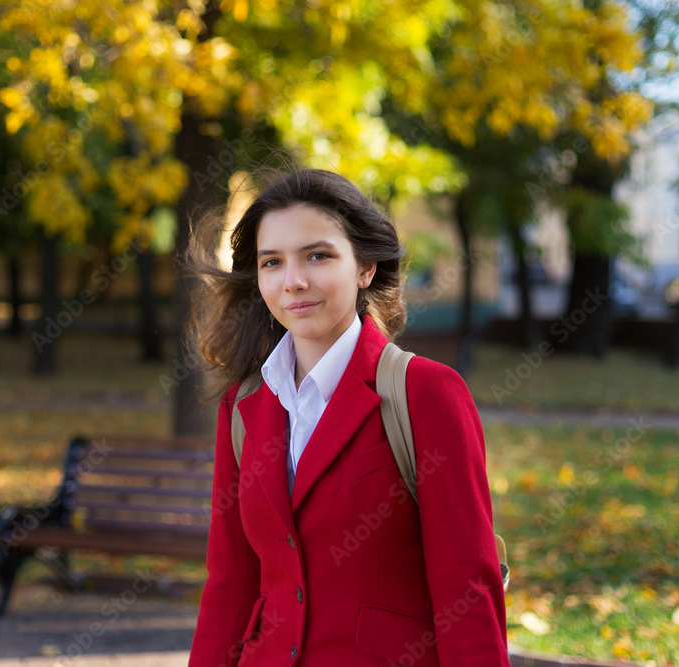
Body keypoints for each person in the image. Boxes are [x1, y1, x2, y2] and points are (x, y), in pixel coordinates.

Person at [185, 167, 508, 666]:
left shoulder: (427, 394)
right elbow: (231, 584)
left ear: (365, 268)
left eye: (317, 255)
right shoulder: (243, 406)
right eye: (272, 262)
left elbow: (466, 589)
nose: (293, 281)